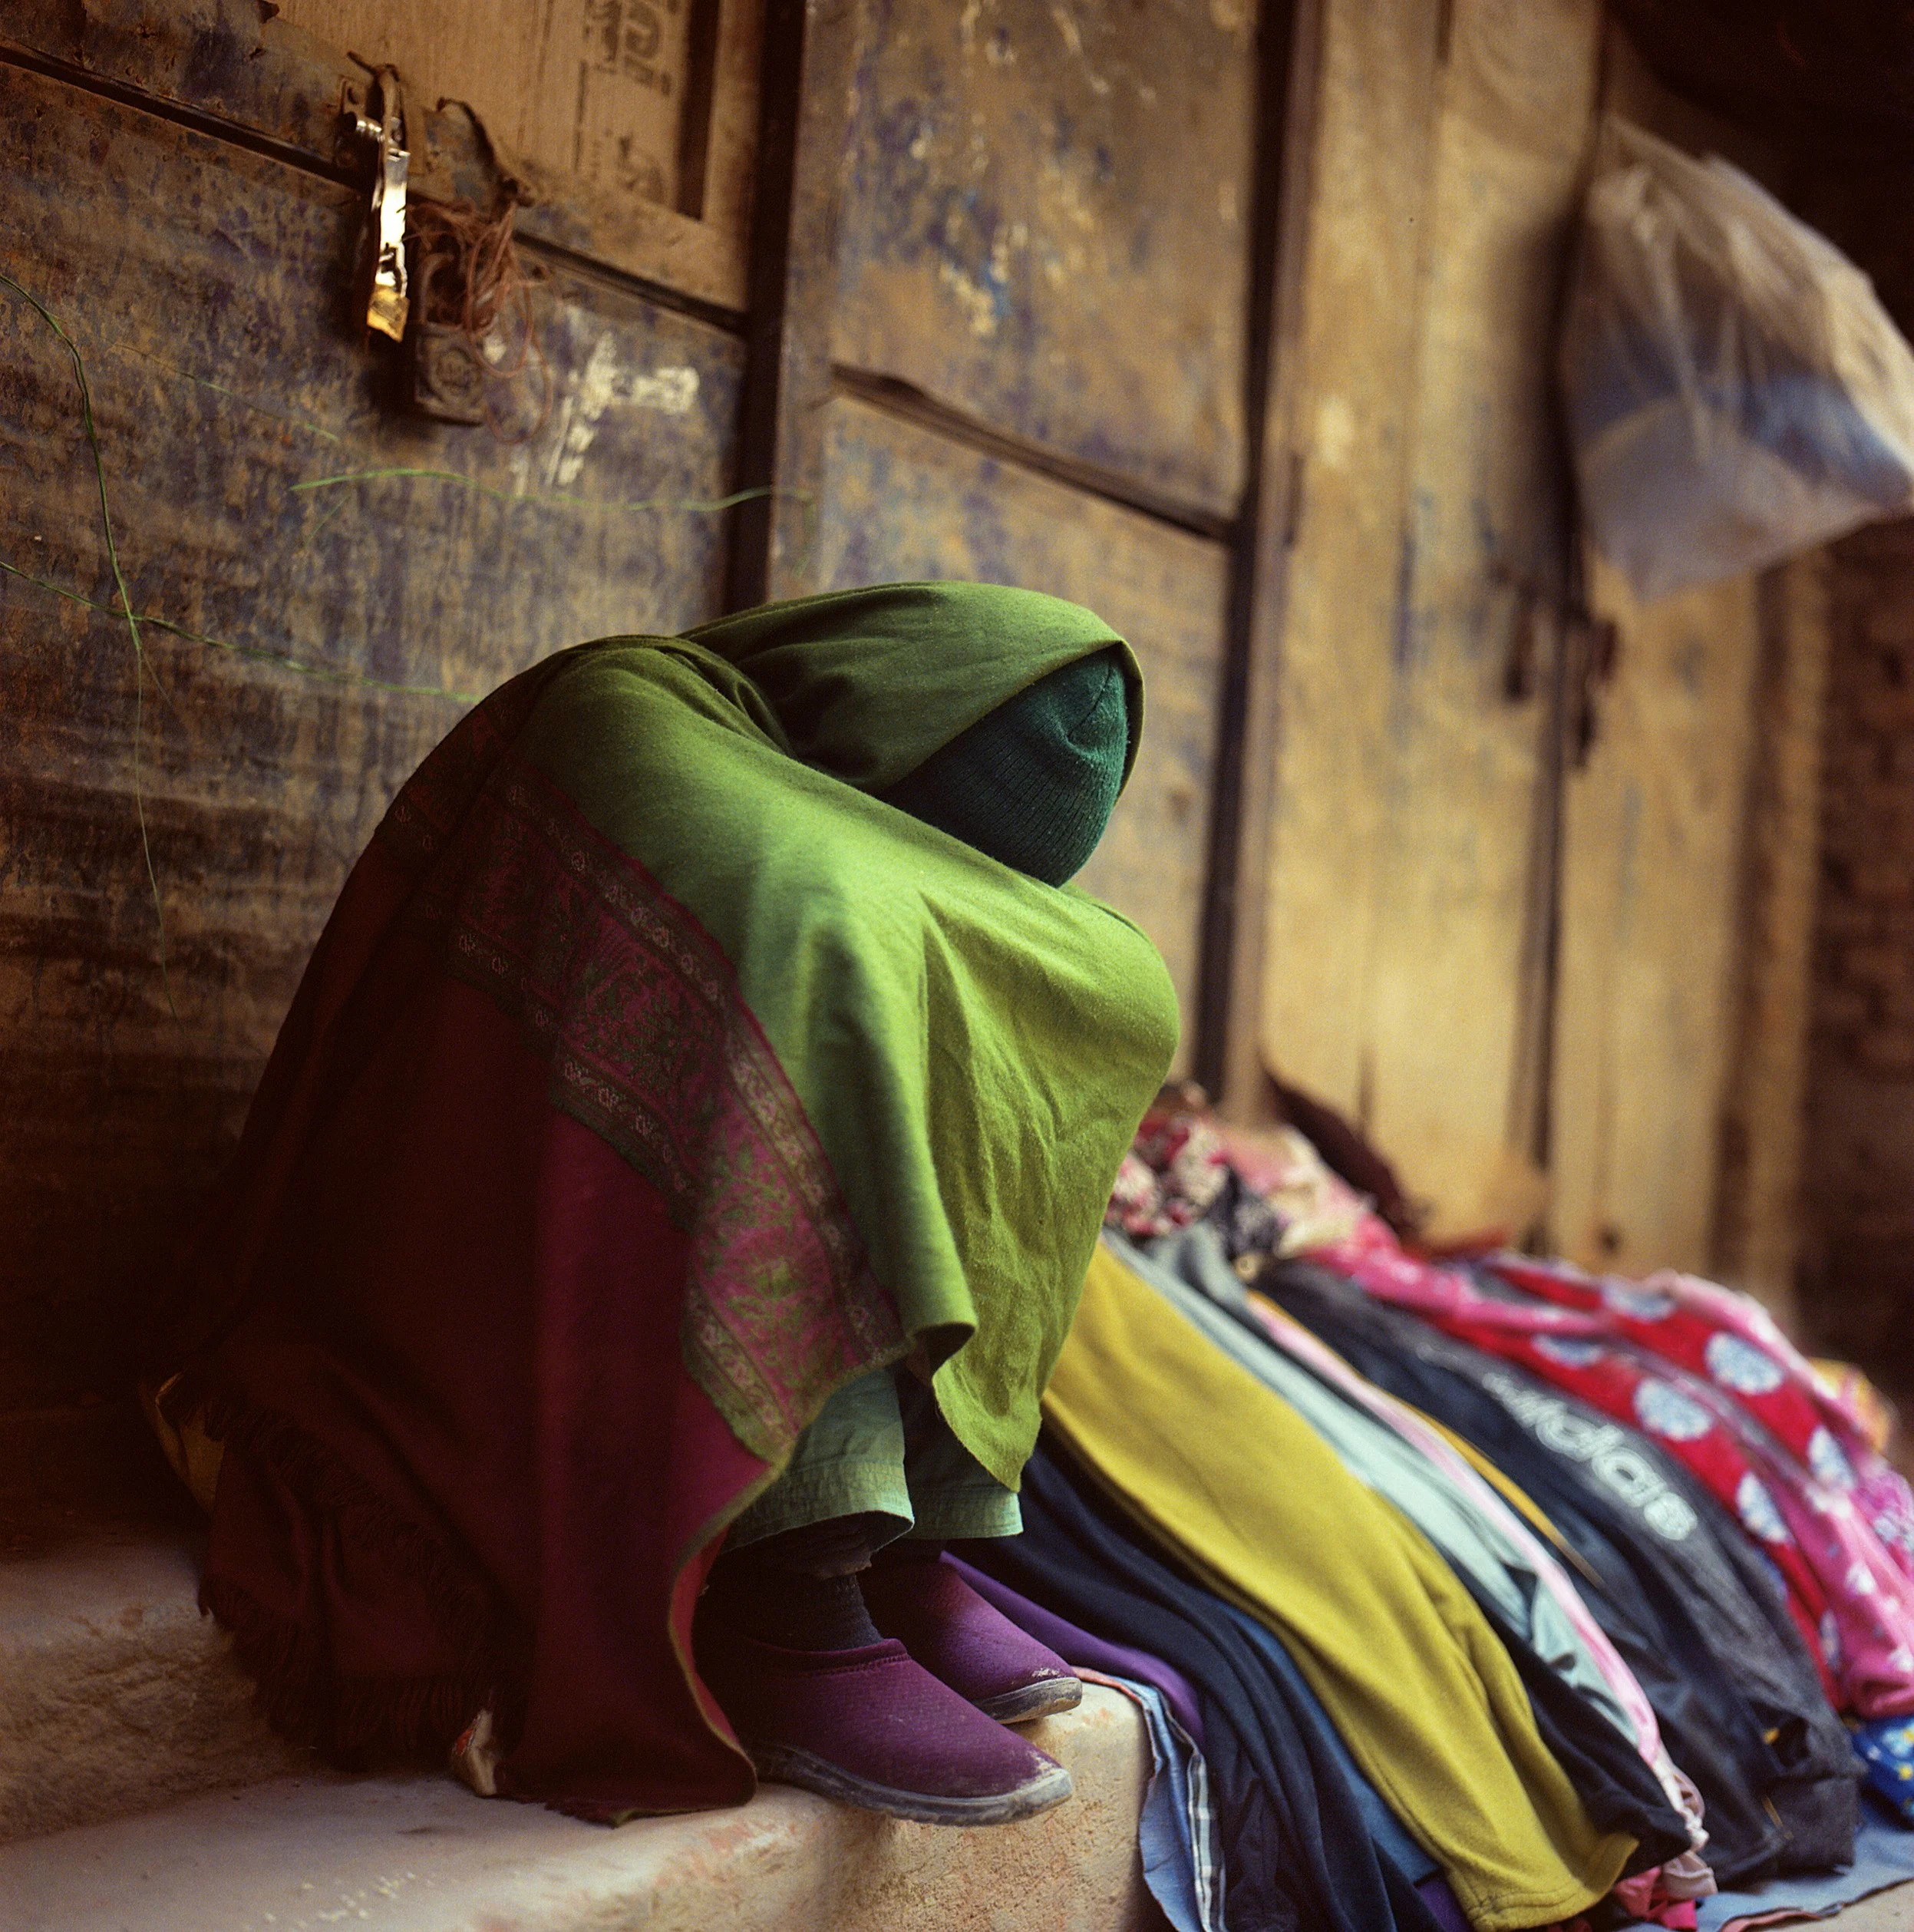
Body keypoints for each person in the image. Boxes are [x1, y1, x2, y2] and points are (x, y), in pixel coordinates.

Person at [144, 581, 1180, 1826]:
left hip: (617, 1242)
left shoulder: (800, 815)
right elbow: (814, 914)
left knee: (1097, 984)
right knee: (834, 958)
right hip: (460, 1290)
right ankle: (788, 1576)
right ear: (869, 738)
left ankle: (903, 1537)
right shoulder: (619, 711)